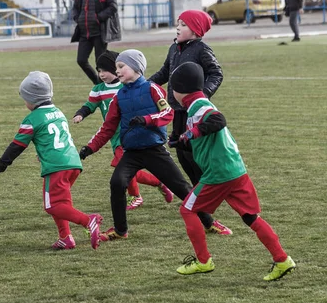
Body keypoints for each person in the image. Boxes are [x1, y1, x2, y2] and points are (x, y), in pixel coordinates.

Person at [78, 49, 231, 242]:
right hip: (131, 152)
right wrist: (89, 148)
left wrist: (146, 120)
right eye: (116, 67)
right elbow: (107, 128)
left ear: (136, 68)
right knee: (117, 183)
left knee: (182, 188)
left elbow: (168, 113)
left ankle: (209, 223)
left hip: (154, 150)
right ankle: (120, 230)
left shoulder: (152, 88)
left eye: (121, 66)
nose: (117, 71)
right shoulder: (119, 97)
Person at [167, 62, 295, 281]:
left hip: (219, 173)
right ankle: (282, 260)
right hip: (235, 169)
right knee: (250, 217)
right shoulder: (195, 107)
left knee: (187, 210)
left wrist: (191, 134)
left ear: (181, 89)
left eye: (173, 89)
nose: (172, 94)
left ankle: (204, 261)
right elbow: (207, 139)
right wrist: (183, 142)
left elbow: (218, 121)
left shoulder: (199, 105)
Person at [0, 71, 103, 250]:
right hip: (72, 162)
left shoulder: (32, 119)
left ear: (32, 99)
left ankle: (89, 221)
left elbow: (16, 147)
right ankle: (65, 238)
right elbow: (55, 138)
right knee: (61, 203)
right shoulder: (58, 112)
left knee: (52, 206)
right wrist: (43, 153)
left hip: (57, 166)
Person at [148, 10, 230, 235]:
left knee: (194, 156)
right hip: (176, 110)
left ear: (195, 29)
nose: (178, 28)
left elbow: (216, 74)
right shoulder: (174, 48)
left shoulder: (202, 50)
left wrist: (202, 95)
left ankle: (206, 194)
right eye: (177, 24)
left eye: (183, 25)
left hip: (193, 110)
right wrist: (145, 85)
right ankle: (198, 192)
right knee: (183, 155)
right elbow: (165, 72)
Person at [73, 50, 174, 210]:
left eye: (104, 70)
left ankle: (136, 196)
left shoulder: (126, 86)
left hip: (130, 134)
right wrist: (80, 114)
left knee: (124, 168)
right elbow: (90, 106)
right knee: (128, 170)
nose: (101, 74)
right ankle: (159, 183)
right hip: (113, 136)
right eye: (99, 71)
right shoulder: (98, 89)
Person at [71, 0, 121, 85]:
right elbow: (75, 7)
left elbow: (113, 6)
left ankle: (108, 86)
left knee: (101, 63)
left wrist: (98, 18)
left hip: (100, 32)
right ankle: (98, 84)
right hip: (84, 32)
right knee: (81, 60)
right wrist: (76, 18)